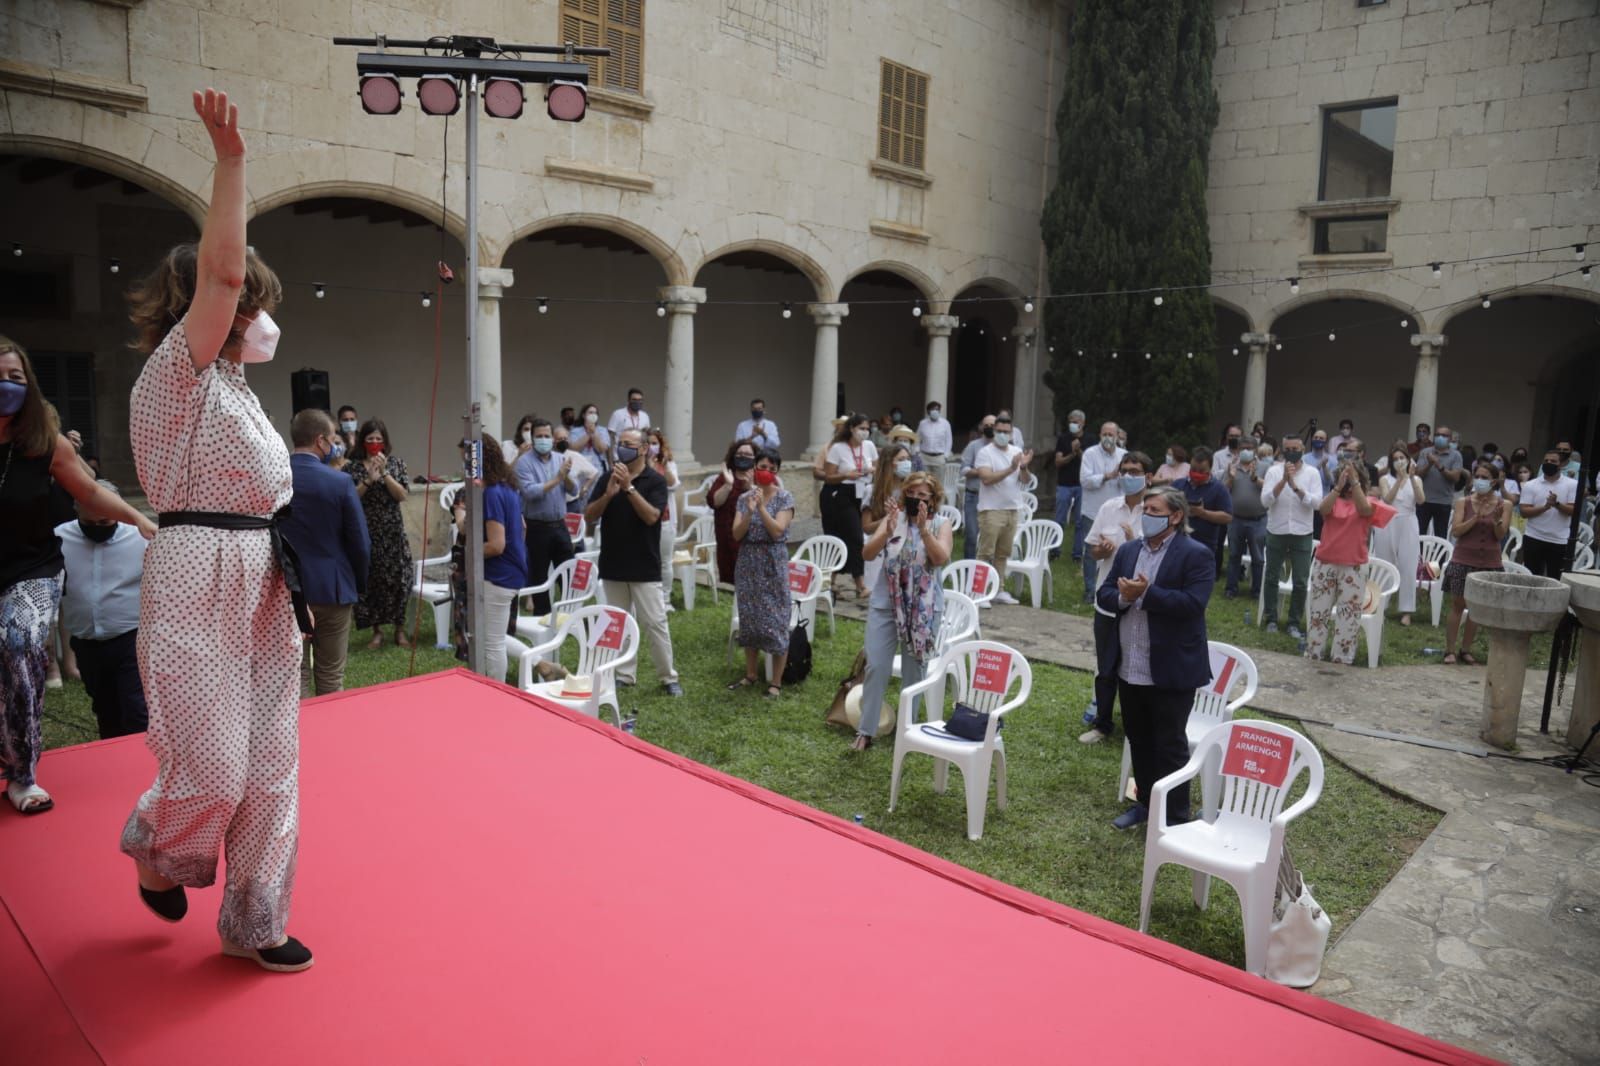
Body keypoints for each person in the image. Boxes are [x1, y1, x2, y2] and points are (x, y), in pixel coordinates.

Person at [118, 88, 314, 973]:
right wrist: (231, 162)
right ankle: (159, 843)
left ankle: (256, 923)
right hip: (198, 571)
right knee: (215, 768)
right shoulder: (178, 375)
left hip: (265, 576)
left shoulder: (240, 392)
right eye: (247, 304)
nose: (257, 314)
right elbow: (225, 274)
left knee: (273, 771)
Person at [5, 338, 152, 811]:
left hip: (29, 569)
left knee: (20, 641)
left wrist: (142, 520)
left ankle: (22, 773)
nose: (7, 386)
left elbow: (88, 491)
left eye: (15, 377)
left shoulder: (41, 443)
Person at [1098, 486, 1215, 830]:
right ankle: (1146, 804)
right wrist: (1123, 597)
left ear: (1175, 516)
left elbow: (1194, 604)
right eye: (1145, 509)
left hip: (1170, 668)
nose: (1145, 515)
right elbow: (1105, 593)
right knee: (1138, 739)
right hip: (1129, 665)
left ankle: (1175, 817)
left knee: (1170, 744)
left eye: (1153, 509)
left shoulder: (1196, 554)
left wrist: (1145, 594)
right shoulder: (1130, 550)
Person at [854, 472, 952, 752]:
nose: (917, 500)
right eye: (912, 494)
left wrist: (923, 530)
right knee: (876, 665)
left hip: (921, 610)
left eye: (924, 496)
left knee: (914, 670)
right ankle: (865, 730)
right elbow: (867, 554)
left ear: (933, 500)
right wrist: (886, 529)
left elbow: (940, 558)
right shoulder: (892, 519)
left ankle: (907, 730)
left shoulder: (941, 524)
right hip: (886, 604)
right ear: (904, 494)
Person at [584, 427, 681, 695]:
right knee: (620, 623)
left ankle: (668, 677)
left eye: (628, 444)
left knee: (655, 623)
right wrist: (609, 494)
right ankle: (625, 675)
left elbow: (652, 517)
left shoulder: (655, 481)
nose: (621, 448)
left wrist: (628, 488)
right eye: (620, 443)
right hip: (614, 563)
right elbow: (589, 516)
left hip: (644, 565)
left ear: (642, 449)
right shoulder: (607, 478)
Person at [280, 409, 370, 696]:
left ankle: (299, 738)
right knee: (331, 676)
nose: (336, 444)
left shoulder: (274, 479)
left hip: (285, 588)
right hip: (333, 586)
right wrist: (358, 583)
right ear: (321, 441)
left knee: (296, 677)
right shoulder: (339, 482)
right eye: (333, 438)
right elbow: (360, 542)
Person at [54, 481, 151, 739]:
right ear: (76, 510)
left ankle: (142, 769)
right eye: (90, 524)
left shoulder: (140, 538)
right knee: (106, 711)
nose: (98, 530)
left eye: (105, 523)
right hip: (86, 643)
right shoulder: (60, 538)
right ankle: (115, 769)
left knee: (137, 711)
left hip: (132, 639)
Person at [1080, 452, 1153, 745]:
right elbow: (1093, 551)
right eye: (1124, 470)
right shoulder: (1109, 507)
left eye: (1134, 471)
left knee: (1140, 666)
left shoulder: (1156, 511)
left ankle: (1138, 725)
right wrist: (1104, 550)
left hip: (1141, 604)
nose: (1128, 476)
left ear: (1148, 477)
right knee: (1106, 665)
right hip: (1109, 600)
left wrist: (1133, 539)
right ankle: (1103, 723)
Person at [449, 434, 527, 681]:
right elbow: (522, 528)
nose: (465, 469)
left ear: (480, 463)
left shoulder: (492, 493)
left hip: (497, 575)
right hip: (510, 571)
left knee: (491, 643)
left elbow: (495, 545)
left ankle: (496, 695)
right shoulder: (507, 487)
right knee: (492, 636)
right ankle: (541, 663)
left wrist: (468, 553)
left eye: (467, 463)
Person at [1304, 457, 1390, 665]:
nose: (1349, 480)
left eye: (1353, 476)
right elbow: (1323, 510)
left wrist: (1355, 482)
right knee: (1319, 611)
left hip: (1353, 566)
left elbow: (1365, 511)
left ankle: (1341, 657)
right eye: (1345, 475)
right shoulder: (1333, 499)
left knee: (1348, 614)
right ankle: (1314, 652)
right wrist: (1338, 487)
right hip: (1325, 563)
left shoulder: (1370, 502)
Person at [727, 447, 795, 698]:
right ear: (755, 468)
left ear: (777, 471)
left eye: (771, 468)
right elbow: (736, 533)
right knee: (751, 617)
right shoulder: (744, 498)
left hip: (772, 562)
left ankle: (775, 682)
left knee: (776, 619)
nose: (765, 472)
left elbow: (778, 531)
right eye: (762, 467)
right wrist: (750, 510)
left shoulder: (785, 498)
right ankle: (751, 673)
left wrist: (762, 508)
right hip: (748, 561)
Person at [349, 417, 412, 649]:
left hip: (393, 530)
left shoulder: (396, 464)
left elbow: (402, 495)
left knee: (399, 579)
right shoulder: (352, 467)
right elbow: (351, 498)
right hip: (366, 530)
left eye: (378, 438)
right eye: (370, 439)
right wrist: (368, 480)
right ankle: (376, 631)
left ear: (385, 441)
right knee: (371, 580)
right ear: (363, 442)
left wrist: (384, 474)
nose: (374, 442)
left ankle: (399, 629)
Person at [1441, 463, 1511, 665]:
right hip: (1463, 559)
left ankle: (1466, 649)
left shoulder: (1504, 505)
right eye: (1477, 475)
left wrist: (1496, 521)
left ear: (1494, 481)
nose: (1480, 480)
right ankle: (1450, 650)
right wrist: (1477, 518)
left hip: (1489, 561)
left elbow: (1500, 535)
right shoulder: (1464, 502)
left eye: (1485, 476)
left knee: (1476, 608)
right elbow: (1456, 531)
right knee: (1458, 604)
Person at [512, 418, 576, 617]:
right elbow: (531, 492)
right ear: (532, 439)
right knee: (538, 576)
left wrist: (565, 477)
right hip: (536, 527)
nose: (543, 440)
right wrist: (558, 478)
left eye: (546, 436)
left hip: (559, 525)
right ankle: (542, 617)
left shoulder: (560, 459)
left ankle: (570, 615)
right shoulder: (524, 463)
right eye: (539, 436)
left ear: (553, 439)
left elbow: (573, 490)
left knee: (568, 574)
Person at [1260, 434, 1322, 639]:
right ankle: (1271, 619)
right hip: (1276, 530)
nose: (1292, 452)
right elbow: (1265, 501)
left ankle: (1294, 623)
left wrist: (1295, 486)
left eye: (1296, 448)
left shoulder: (1312, 473)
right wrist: (1283, 482)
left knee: (1301, 580)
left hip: (1302, 532)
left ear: (1302, 449)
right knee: (1271, 576)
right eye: (1288, 448)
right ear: (1283, 450)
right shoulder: (1273, 471)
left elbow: (1317, 503)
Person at [974, 416, 1033, 607]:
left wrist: (1023, 467)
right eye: (999, 431)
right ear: (993, 432)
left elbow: (1025, 480)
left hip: (1012, 509)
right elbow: (986, 479)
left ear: (1012, 433)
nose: (1002, 435)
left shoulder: (1016, 451)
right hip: (991, 510)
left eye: (1006, 432)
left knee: (1002, 553)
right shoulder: (985, 452)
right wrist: (1011, 468)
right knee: (985, 552)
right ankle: (978, 591)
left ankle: (998, 590)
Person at [821, 414, 877, 598]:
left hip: (863, 492)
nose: (865, 432)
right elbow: (828, 476)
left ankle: (831, 580)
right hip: (841, 494)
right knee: (855, 536)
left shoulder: (869, 446)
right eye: (861, 428)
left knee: (845, 538)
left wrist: (870, 471)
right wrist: (847, 475)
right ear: (852, 429)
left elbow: (876, 468)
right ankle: (860, 584)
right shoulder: (838, 448)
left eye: (867, 428)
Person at [1374, 446, 1424, 626]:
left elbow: (1420, 500)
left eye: (1402, 457)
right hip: (1387, 522)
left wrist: (1409, 477)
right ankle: (1381, 606)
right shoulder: (1384, 479)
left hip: (1408, 522)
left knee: (1408, 566)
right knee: (1385, 564)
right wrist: (1399, 479)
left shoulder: (1416, 479)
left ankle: (1407, 610)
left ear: (1408, 459)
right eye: (1395, 458)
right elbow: (1387, 499)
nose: (1399, 461)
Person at [1079, 421, 1127, 601]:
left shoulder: (1124, 455)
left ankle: (1110, 588)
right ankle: (1090, 590)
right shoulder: (1090, 454)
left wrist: (1121, 476)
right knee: (1092, 552)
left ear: (1117, 436)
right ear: (1100, 435)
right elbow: (1085, 480)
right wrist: (1107, 476)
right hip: (1093, 510)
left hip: (1117, 511)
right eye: (1104, 434)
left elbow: (1128, 483)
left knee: (1116, 551)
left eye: (1111, 435)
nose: (1108, 438)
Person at [862, 443, 913, 592]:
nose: (907, 463)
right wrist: (888, 518)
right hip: (880, 549)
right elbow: (866, 527)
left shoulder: (912, 490)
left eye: (908, 459)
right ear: (890, 463)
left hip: (905, 547)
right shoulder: (872, 491)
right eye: (901, 459)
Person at [1520, 449, 1578, 578]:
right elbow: (1524, 512)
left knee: (1555, 579)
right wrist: (1545, 507)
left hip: (1559, 540)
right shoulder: (1530, 485)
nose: (1549, 463)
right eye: (1546, 461)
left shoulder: (1572, 484)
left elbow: (1573, 511)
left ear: (1561, 464)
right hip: (1533, 537)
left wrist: (1556, 504)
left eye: (1553, 461)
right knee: (1531, 578)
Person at [709, 439, 757, 584]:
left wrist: (750, 488)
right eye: (740, 453)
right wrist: (728, 485)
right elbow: (714, 502)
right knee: (730, 580)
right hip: (726, 537)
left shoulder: (760, 477)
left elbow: (767, 505)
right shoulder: (725, 477)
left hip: (750, 538)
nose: (743, 456)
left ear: (755, 458)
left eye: (748, 454)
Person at [1180, 446, 1232, 575]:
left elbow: (1227, 517)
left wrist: (1203, 513)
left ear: (1210, 469)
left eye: (1201, 471)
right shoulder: (1178, 485)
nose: (1196, 473)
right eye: (1193, 469)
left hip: (1205, 545)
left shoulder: (1219, 489)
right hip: (1178, 543)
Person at [1223, 445, 1266, 600]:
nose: (1246, 451)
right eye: (1243, 448)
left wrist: (1255, 478)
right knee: (1234, 555)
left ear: (1254, 451)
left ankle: (1256, 591)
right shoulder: (1232, 467)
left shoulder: (1265, 466)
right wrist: (1230, 478)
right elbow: (1222, 490)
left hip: (1258, 519)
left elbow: (1271, 489)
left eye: (1249, 448)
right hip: (1235, 519)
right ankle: (1231, 588)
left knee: (1258, 558)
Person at [647, 428, 681, 609]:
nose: (652, 447)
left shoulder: (668, 464)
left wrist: (665, 465)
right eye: (649, 443)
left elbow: (673, 485)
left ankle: (665, 599)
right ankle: (649, 598)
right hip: (644, 519)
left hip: (665, 519)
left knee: (665, 560)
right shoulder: (638, 463)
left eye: (655, 443)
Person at [1414, 425, 1466, 538]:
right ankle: (1418, 556)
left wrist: (1438, 465)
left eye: (1444, 435)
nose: (1440, 437)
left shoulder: (1456, 455)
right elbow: (1417, 475)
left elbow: (1455, 478)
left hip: (1443, 502)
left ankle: (1440, 556)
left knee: (1440, 535)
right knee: (1418, 534)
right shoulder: (1425, 452)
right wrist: (1429, 464)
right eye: (1437, 435)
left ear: (1450, 438)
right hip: (1424, 500)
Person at [959, 415, 997, 560]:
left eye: (992, 425)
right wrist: (981, 472)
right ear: (981, 427)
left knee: (991, 537)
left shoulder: (1001, 447)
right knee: (971, 535)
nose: (989, 428)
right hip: (973, 496)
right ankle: (968, 569)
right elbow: (963, 470)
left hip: (993, 497)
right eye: (986, 425)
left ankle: (988, 571)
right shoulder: (973, 446)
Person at [1052, 408, 1086, 562]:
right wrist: (1071, 454)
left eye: (1075, 422)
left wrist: (1078, 450)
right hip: (1064, 484)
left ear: (1082, 423)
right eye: (1070, 422)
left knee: (1080, 522)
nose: (1072, 424)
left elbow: (1089, 461)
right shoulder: (1063, 439)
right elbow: (1058, 462)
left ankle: (1077, 554)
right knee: (1059, 519)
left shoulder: (1090, 439)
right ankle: (1054, 551)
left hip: (1082, 485)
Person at [916, 400, 952, 464]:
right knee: (924, 474)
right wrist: (917, 452)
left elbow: (949, 440)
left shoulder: (945, 423)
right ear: (928, 411)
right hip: (925, 457)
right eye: (933, 409)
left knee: (939, 474)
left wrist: (946, 455)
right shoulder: (922, 423)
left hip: (939, 457)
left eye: (937, 409)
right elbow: (917, 439)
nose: (935, 411)